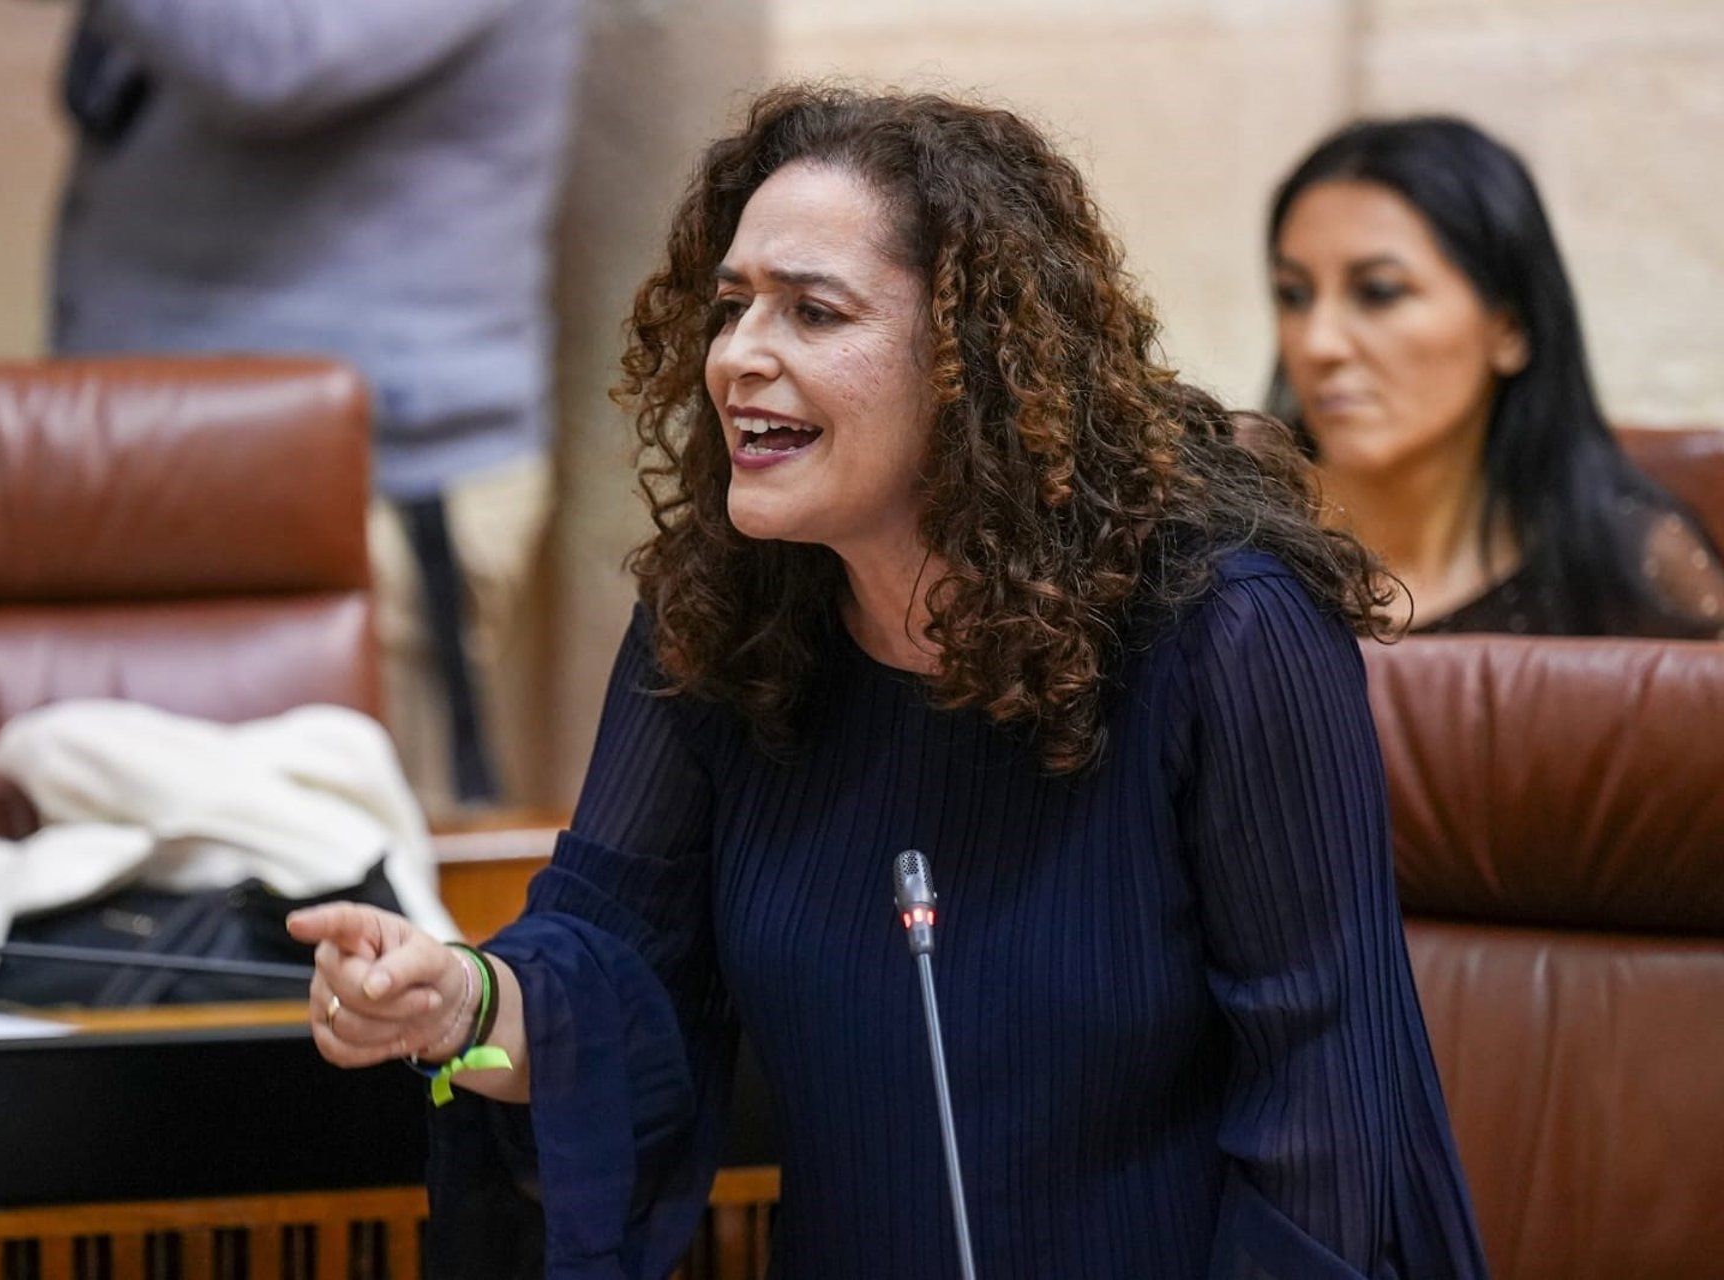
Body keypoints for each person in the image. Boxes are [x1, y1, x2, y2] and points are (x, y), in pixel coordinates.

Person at [290, 86, 1489, 1278]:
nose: (738, 356)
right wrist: (462, 1000)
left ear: (971, 363)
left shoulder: (1228, 630)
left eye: (814, 312)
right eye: (732, 307)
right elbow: (611, 963)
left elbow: (1324, 1110)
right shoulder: (720, 622)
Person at [50, 0, 583, 808]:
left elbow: (271, 58)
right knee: (165, 839)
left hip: (372, 489)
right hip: (176, 467)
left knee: (354, 857)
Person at [1266, 115, 1724, 637]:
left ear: (1509, 326)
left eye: (1379, 291)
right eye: (1293, 294)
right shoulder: (1234, 539)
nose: (1318, 343)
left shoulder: (1629, 564)